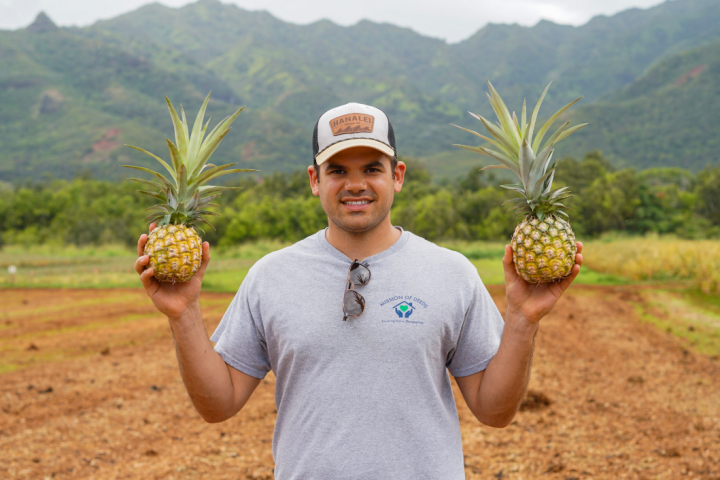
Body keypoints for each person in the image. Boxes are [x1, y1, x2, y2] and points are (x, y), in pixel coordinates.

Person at [134, 102, 583, 479]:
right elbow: (219, 404)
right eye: (337, 170)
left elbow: (494, 411)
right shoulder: (271, 275)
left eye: (372, 168)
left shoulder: (451, 272)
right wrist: (183, 314)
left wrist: (522, 322)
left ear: (398, 175)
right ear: (314, 179)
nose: (355, 184)